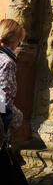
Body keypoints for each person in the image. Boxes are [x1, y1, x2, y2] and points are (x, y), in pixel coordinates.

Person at [0, 19, 25, 147]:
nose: (18, 44)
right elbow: (3, 96)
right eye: (19, 41)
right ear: (13, 40)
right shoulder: (7, 62)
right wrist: (11, 117)